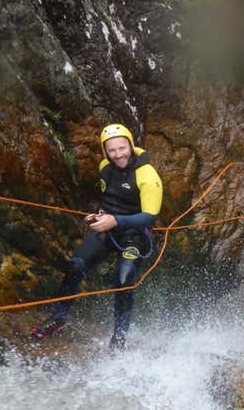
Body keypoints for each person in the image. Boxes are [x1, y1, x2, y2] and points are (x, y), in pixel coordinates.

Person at [32, 123, 163, 350]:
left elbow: (150, 217)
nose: (118, 154)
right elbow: (110, 198)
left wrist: (116, 220)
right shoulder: (105, 167)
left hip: (134, 236)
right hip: (107, 229)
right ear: (105, 152)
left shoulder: (147, 175)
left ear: (130, 145)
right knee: (75, 265)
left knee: (123, 281)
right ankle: (58, 317)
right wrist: (100, 215)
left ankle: (119, 338)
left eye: (122, 148)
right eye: (111, 150)